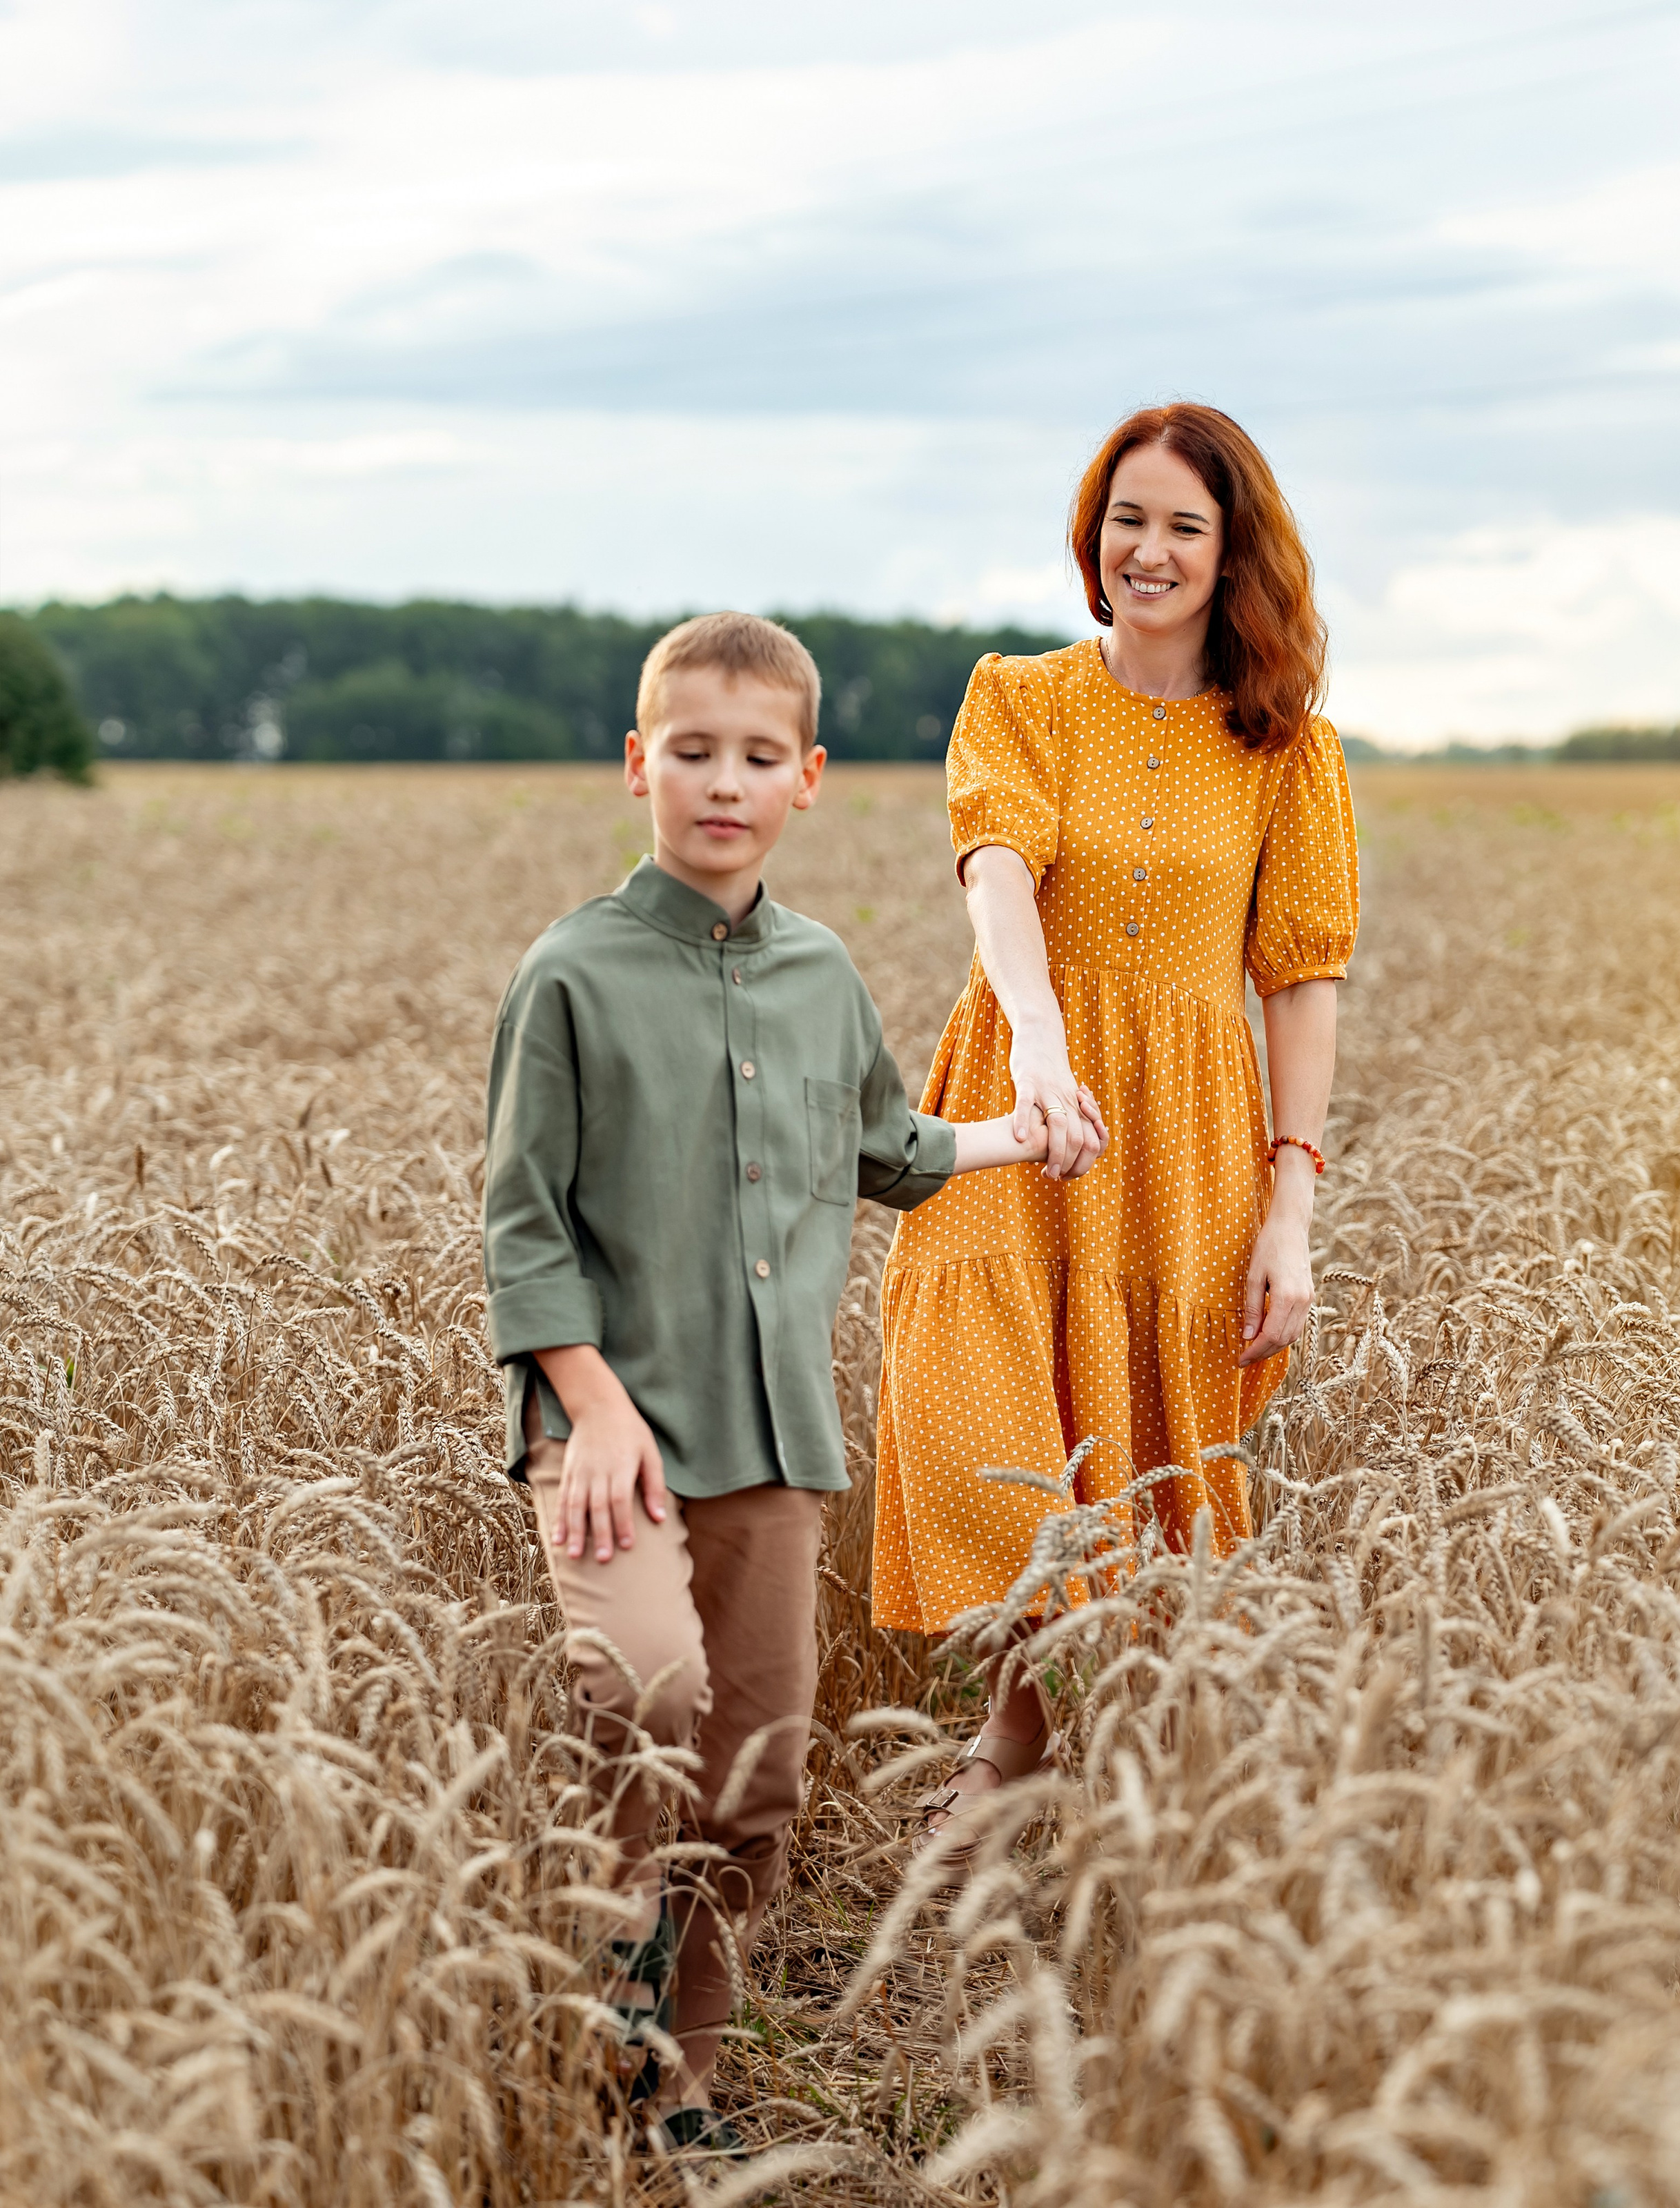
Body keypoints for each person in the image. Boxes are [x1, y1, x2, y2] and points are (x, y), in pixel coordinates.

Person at [480, 613, 1102, 2157]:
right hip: (609, 1440)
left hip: (774, 1450)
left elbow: (890, 1148)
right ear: (639, 764)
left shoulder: (821, 975)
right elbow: (520, 1227)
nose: (720, 784)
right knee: (645, 1697)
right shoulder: (568, 975)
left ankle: (678, 2058)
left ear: (806, 779)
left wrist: (1024, 1131)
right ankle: (617, 2047)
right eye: (690, 753)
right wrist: (593, 1400)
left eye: (757, 758)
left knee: (756, 1782)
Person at [875, 404, 1359, 1864]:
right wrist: (1033, 1038)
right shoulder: (1017, 694)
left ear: (1232, 557)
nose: (1144, 550)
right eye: (1124, 519)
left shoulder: (1287, 750)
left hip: (1191, 1135)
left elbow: (1301, 979)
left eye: (1180, 527)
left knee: (1146, 1444)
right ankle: (1021, 1730)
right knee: (971, 1398)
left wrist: (1291, 1205)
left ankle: (1055, 1755)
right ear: (1091, 537)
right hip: (1016, 1108)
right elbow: (995, 871)